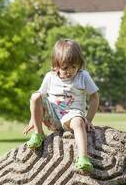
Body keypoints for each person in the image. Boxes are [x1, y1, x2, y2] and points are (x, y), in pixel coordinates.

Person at [23, 39, 100, 172]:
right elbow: (39, 99)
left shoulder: (83, 76)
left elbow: (94, 98)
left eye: (74, 67)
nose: (70, 71)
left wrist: (88, 119)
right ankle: (38, 134)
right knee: (35, 96)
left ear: (79, 65)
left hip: (72, 116)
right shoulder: (50, 77)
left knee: (78, 122)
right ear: (56, 65)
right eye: (65, 68)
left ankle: (83, 158)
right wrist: (33, 119)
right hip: (52, 116)